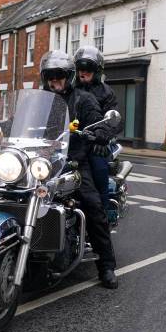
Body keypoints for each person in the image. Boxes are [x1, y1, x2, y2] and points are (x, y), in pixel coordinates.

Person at [40, 50, 118, 289]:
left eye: (59, 75)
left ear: (69, 76)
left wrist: (100, 134)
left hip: (73, 160)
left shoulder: (83, 99)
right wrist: (2, 126)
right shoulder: (40, 100)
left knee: (93, 205)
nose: (55, 80)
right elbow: (16, 119)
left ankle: (106, 265)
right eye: (50, 76)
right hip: (41, 162)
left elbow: (99, 121)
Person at [73, 46, 121, 210]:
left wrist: (101, 137)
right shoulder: (70, 89)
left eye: (88, 68)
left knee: (98, 167)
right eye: (80, 68)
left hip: (95, 141)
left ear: (97, 71)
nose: (83, 72)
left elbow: (113, 119)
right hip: (72, 139)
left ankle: (103, 210)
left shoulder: (106, 93)